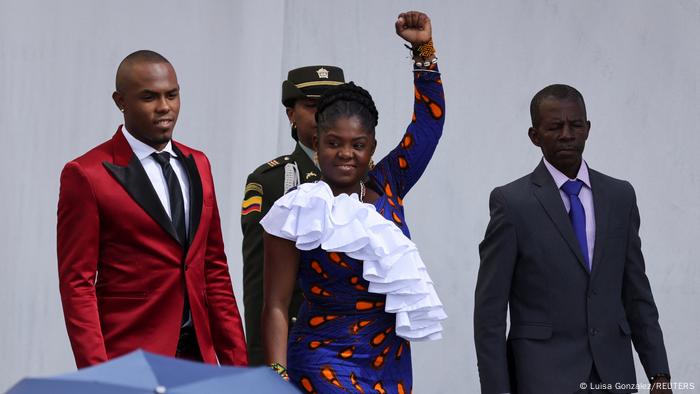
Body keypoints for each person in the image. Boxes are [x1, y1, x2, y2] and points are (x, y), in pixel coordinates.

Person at [260, 11, 446, 393]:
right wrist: (277, 375)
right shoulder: (295, 209)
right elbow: (276, 303)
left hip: (390, 362)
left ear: (372, 148)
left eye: (358, 145)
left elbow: (429, 124)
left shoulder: (388, 183)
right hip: (320, 357)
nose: (346, 154)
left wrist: (423, 51)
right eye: (334, 143)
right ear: (316, 143)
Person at [474, 84, 671, 394]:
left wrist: (659, 373)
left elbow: (637, 295)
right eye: (555, 127)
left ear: (587, 129)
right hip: (542, 378)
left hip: (614, 376)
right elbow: (490, 314)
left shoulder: (620, 197)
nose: (567, 134)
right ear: (534, 135)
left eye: (575, 125)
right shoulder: (512, 204)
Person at [57, 50, 247, 368]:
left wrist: (237, 365)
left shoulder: (199, 163)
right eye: (149, 97)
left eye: (172, 95)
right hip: (129, 359)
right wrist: (97, 374)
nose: (164, 107)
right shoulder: (86, 174)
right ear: (121, 101)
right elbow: (77, 284)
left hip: (198, 359)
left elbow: (213, 271)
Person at [241, 65, 345, 365]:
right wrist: (267, 366)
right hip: (299, 352)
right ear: (291, 115)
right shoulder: (272, 181)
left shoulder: (370, 180)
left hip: (361, 351)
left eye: (332, 107)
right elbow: (259, 284)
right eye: (313, 107)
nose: (324, 118)